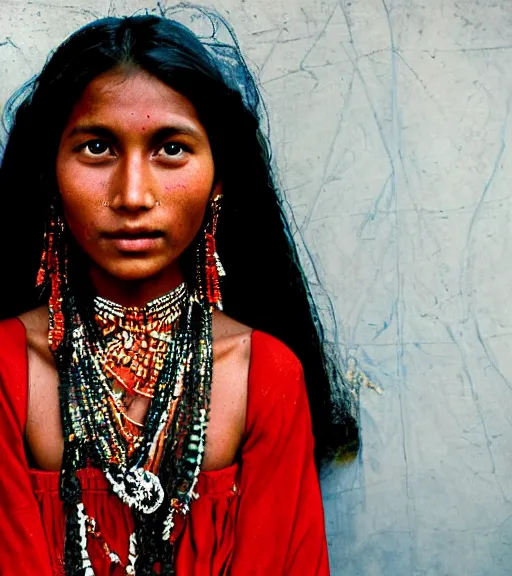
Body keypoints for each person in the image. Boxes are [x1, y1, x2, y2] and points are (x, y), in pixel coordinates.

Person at [0, 9, 358, 576]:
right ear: (49, 173)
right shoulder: (6, 369)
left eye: (171, 149)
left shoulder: (263, 374)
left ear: (220, 178)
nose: (133, 194)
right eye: (97, 148)